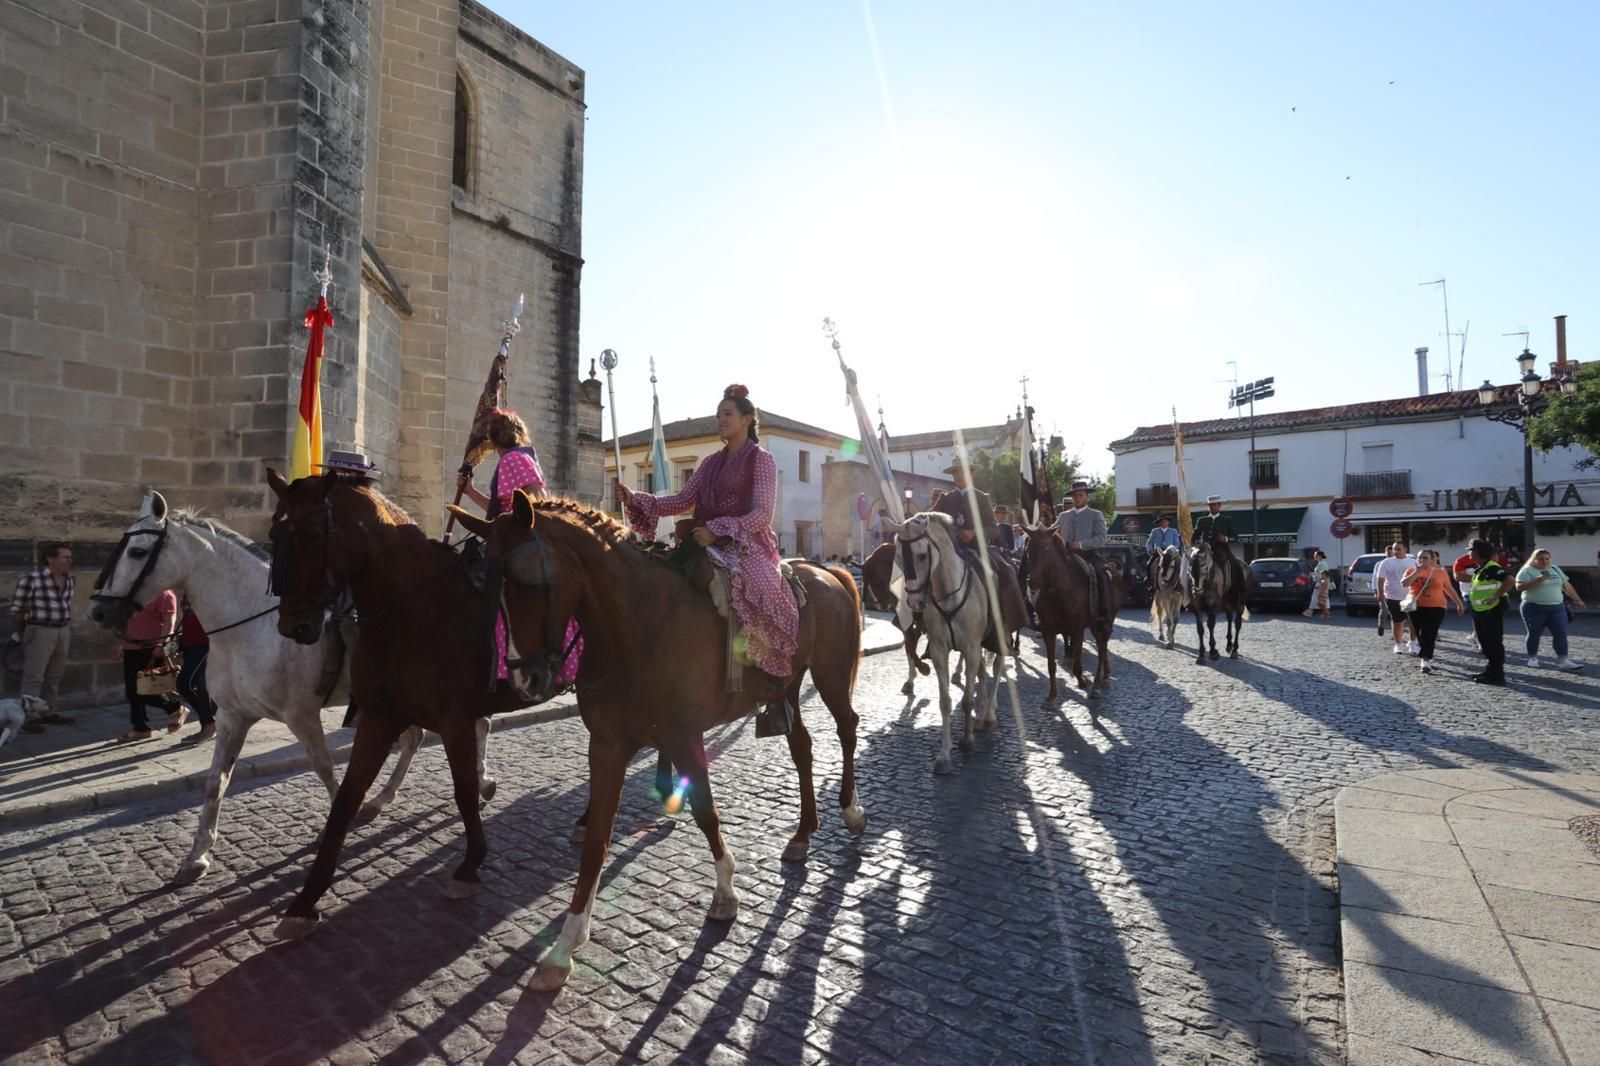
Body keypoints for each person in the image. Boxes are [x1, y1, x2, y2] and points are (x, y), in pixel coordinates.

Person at [617, 384, 799, 738]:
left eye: (727, 414)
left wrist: (718, 529)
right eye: (718, 415)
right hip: (704, 539)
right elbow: (682, 500)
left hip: (747, 544)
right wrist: (636, 498)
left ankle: (771, 681)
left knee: (762, 586)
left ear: (747, 419)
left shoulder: (761, 460)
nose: (720, 420)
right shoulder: (710, 463)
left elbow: (762, 514)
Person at [457, 408, 582, 690]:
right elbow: (501, 510)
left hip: (520, 543)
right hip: (512, 538)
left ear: (492, 440)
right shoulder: (517, 458)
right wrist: (469, 491)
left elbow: (535, 500)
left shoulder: (513, 459)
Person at [9, 542, 76, 734]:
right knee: (34, 676)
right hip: (40, 630)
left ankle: (47, 711)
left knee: (55, 674)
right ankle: (27, 717)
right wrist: (22, 633)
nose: (69, 560)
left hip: (63, 629)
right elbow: (18, 610)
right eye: (65, 557)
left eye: (70, 557)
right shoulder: (32, 580)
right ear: (50, 559)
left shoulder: (69, 580)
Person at [116, 589, 183, 743]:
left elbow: (170, 621)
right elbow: (125, 620)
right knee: (132, 691)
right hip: (131, 647)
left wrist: (162, 644)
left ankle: (175, 707)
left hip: (152, 649)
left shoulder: (164, 594)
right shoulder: (133, 593)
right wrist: (121, 644)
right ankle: (141, 728)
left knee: (145, 689)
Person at [1516, 547, 1586, 670]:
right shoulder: (1527, 571)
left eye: (1547, 558)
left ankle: (1563, 661)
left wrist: (1577, 599)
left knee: (1561, 633)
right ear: (1534, 560)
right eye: (1541, 559)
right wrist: (1538, 580)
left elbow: (1567, 586)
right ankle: (1532, 658)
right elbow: (1519, 587)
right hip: (1533, 607)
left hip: (1557, 607)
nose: (1545, 561)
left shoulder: (1555, 569)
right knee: (1534, 633)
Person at [1401, 549, 1465, 674]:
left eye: (1425, 558)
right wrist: (1417, 571)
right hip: (1415, 606)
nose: (1421, 560)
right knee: (1419, 632)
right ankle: (1425, 654)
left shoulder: (1440, 573)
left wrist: (1459, 604)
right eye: (1419, 558)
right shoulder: (1410, 570)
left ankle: (1426, 660)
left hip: (1437, 607)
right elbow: (1404, 583)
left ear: (1432, 560)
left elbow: (1449, 589)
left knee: (1429, 633)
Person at [1467, 538, 1516, 685]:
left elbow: (1510, 580)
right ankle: (1490, 670)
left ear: (1477, 552)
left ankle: (1497, 675)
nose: (1468, 553)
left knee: (1493, 643)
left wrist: (1495, 596)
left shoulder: (1491, 567)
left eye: (1470, 550)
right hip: (1481, 610)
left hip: (1491, 610)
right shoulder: (1481, 568)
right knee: (1485, 642)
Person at [175, 597, 217, 745]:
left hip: (203, 645)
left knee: (186, 684)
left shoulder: (209, 590)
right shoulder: (188, 592)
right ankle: (212, 722)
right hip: (190, 646)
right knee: (192, 685)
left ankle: (210, 724)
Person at [1373, 542, 1418, 655]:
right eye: (1394, 549)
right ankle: (1398, 644)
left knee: (1414, 621)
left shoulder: (1413, 562)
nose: (1396, 551)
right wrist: (1380, 593)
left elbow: (1419, 577)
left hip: (1410, 596)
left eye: (1399, 549)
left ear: (1405, 549)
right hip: (1392, 596)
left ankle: (1412, 643)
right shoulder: (1386, 562)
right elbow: (1381, 579)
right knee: (1397, 621)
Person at [1054, 480, 1108, 556]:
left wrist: (1080, 544)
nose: (1077, 498)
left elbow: (1101, 538)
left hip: (1088, 555)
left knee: (1098, 564)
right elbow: (1051, 532)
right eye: (1075, 496)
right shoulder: (1063, 515)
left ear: (1087, 497)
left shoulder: (1096, 515)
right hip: (1064, 554)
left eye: (1081, 495)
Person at [1452, 548, 1480, 649]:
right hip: (1469, 593)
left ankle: (1475, 636)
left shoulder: (1489, 559)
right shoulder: (1461, 561)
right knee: (1477, 616)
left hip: (1486, 593)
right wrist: (1480, 578)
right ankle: (1480, 641)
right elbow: (1458, 577)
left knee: (1485, 617)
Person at [1305, 550, 1333, 619]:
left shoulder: (1322, 564)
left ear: (1320, 556)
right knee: (1322, 598)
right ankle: (1323, 612)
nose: (1314, 556)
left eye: (1315, 555)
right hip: (1321, 582)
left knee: (1318, 598)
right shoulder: (1321, 563)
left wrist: (1313, 576)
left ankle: (1311, 611)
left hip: (1321, 582)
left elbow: (1322, 574)